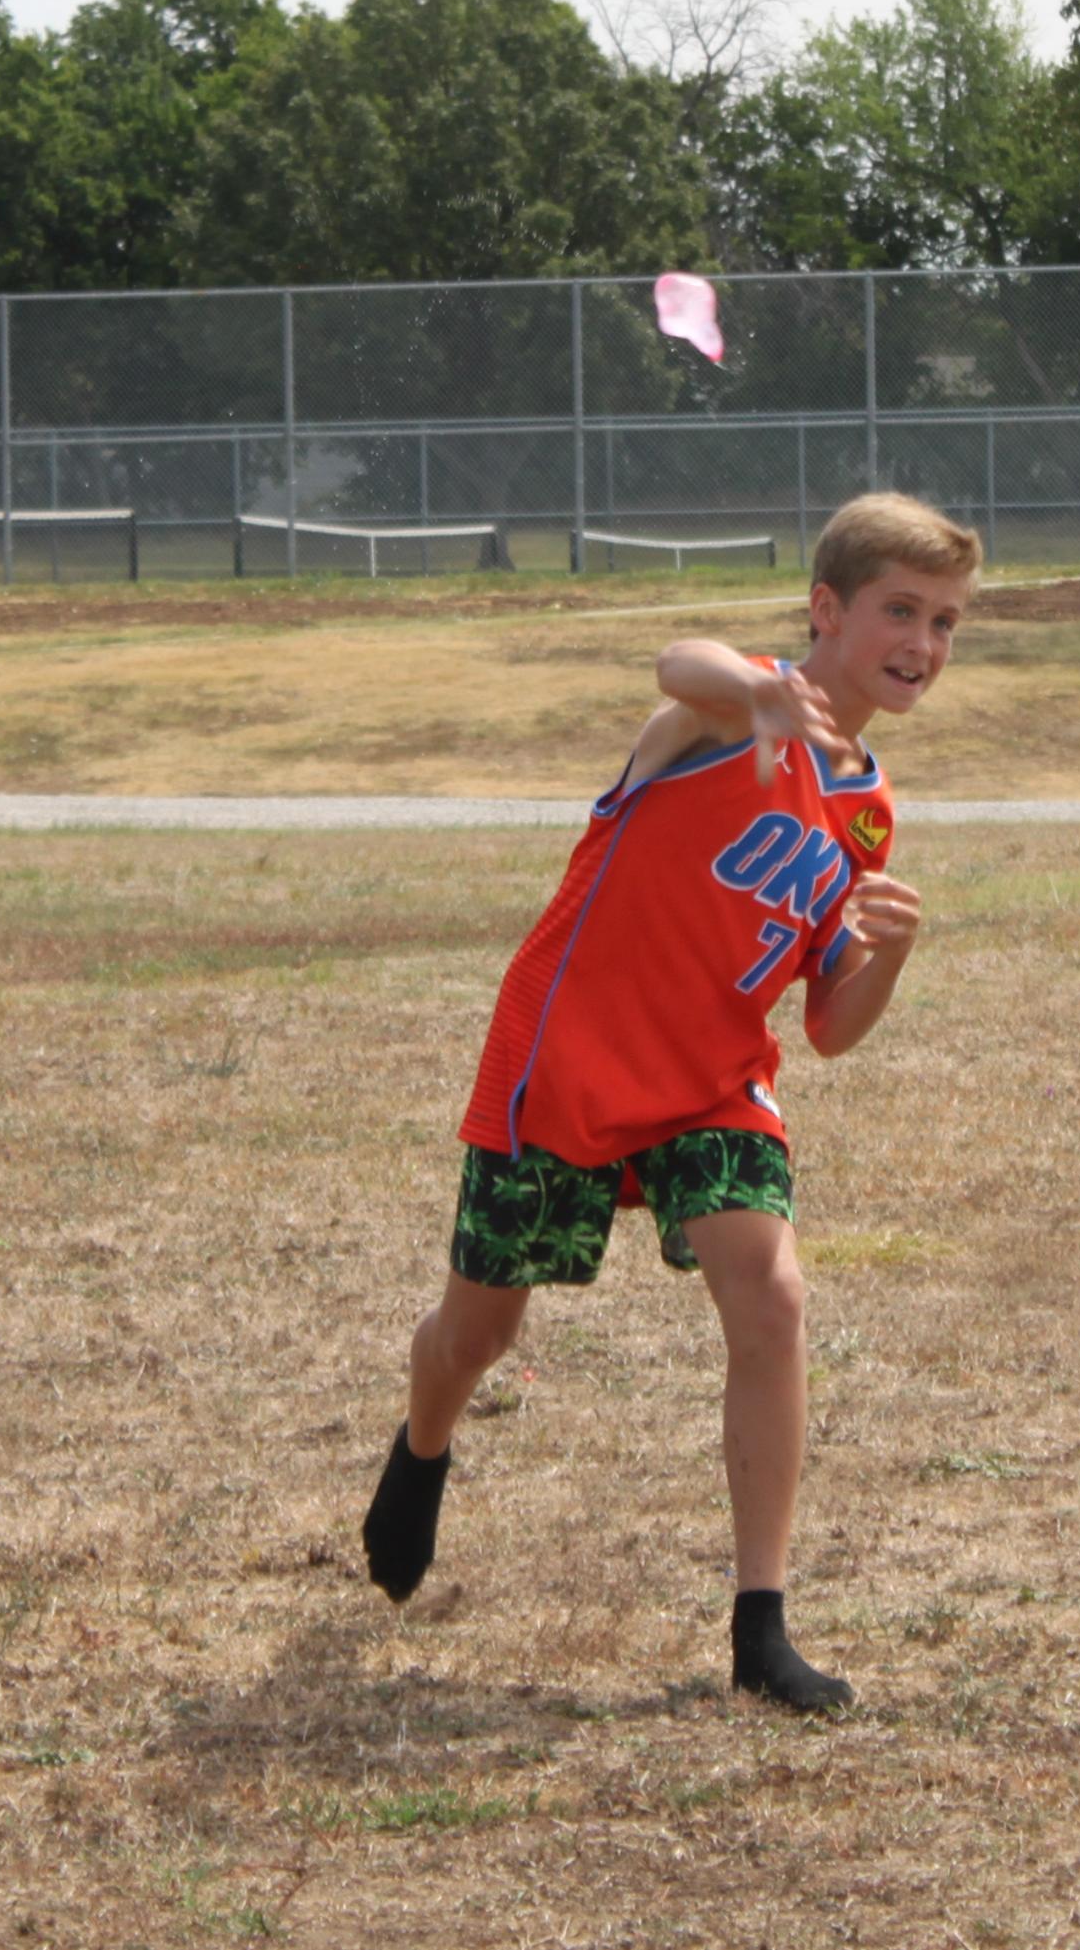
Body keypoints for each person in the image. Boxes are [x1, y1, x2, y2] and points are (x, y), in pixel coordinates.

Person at [362, 491, 981, 1712]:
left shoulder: (865, 804)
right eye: (898, 610)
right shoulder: (722, 711)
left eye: (947, 621)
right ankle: (421, 1445)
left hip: (712, 1083)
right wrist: (754, 693)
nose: (923, 642)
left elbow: (827, 1024)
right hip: (570, 1066)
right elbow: (677, 660)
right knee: (478, 1337)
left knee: (774, 1294)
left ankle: (761, 1628)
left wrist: (889, 958)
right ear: (826, 612)